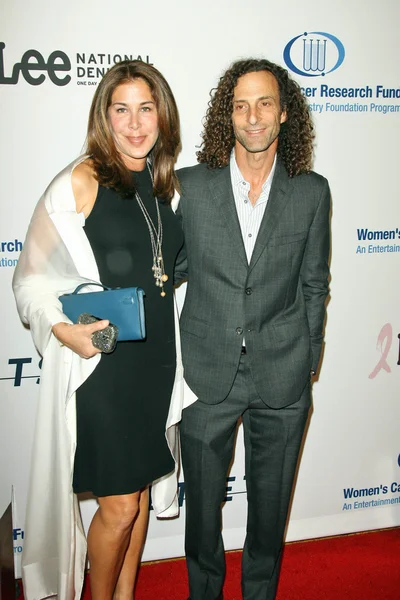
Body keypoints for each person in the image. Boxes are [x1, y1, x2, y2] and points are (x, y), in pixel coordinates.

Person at [12, 60, 185, 600]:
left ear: (162, 116)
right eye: (121, 110)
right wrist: (66, 331)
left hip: (156, 363)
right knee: (120, 505)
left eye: (146, 109)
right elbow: (30, 280)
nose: (135, 124)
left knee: (136, 496)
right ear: (104, 117)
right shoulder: (80, 180)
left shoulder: (162, 183)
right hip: (106, 369)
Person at [175, 58, 331, 600]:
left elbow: (315, 284)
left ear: (285, 113)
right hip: (206, 371)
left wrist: (309, 357)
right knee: (202, 521)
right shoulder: (189, 187)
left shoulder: (311, 192)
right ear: (228, 116)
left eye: (265, 103)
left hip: (283, 375)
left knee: (270, 512)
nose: (253, 116)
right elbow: (166, 268)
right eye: (241, 105)